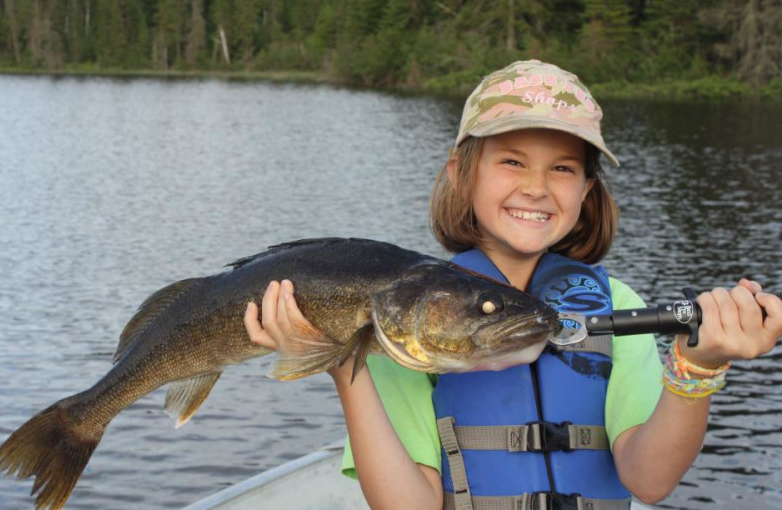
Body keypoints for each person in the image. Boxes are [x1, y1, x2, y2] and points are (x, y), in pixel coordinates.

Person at [243, 60, 782, 510]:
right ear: (462, 172)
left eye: (564, 169)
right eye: (511, 160)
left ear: (588, 189)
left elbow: (649, 479)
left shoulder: (620, 306)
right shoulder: (411, 313)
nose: (536, 188)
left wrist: (699, 367)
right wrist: (343, 363)